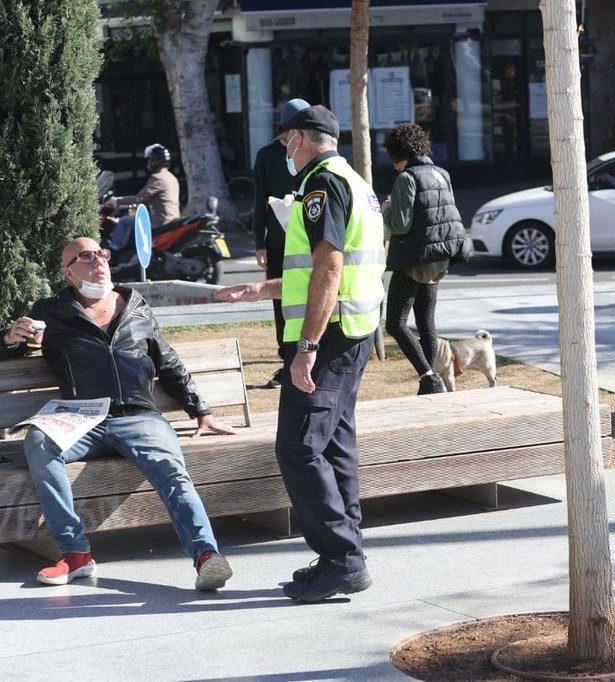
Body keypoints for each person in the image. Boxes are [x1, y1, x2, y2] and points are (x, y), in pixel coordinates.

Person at [0, 236, 236, 590]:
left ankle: (207, 556)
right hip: (80, 417)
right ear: (69, 272)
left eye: (101, 253)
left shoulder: (135, 305)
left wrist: (201, 411)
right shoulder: (51, 311)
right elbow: (2, 352)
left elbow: (168, 361)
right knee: (39, 443)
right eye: (85, 257)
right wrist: (9, 337)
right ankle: (75, 555)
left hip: (138, 416)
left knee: (171, 471)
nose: (98, 261)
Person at [213, 105, 386, 603]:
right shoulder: (355, 182)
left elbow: (331, 270)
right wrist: (260, 290)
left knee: (298, 447)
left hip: (328, 337)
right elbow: (319, 270)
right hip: (352, 332)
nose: (285, 149)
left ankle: (341, 560)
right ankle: (345, 555)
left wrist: (306, 348)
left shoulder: (320, 186)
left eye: (288, 140)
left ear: (304, 140)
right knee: (333, 446)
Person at [381, 123, 468, 395]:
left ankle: (428, 376)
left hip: (413, 259)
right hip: (439, 259)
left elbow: (401, 224)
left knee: (395, 322)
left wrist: (386, 210)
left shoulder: (406, 178)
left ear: (398, 154)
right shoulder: (441, 173)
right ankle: (429, 382)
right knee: (426, 322)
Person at [251, 98, 310, 389]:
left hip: (309, 241)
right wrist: (259, 242)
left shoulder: (312, 153)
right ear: (287, 129)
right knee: (280, 302)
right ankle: (285, 360)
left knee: (309, 299)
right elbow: (258, 200)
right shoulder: (266, 156)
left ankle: (308, 357)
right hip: (277, 241)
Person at [104, 144, 180, 264]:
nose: (149, 162)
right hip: (172, 218)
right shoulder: (171, 177)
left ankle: (111, 254)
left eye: (150, 159)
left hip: (160, 220)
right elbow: (154, 200)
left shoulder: (158, 178)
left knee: (123, 222)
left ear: (156, 160)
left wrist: (116, 200)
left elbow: (140, 198)